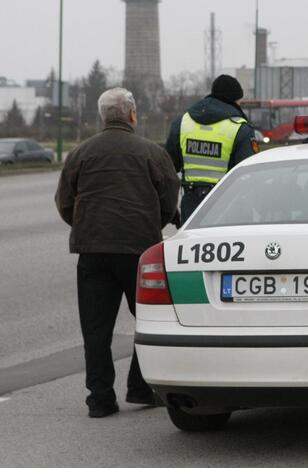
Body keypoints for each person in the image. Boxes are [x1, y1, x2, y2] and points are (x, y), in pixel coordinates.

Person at [55, 87, 180, 418]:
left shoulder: (81, 153)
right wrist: (155, 224)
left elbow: (65, 202)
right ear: (133, 115)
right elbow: (169, 199)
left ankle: (100, 399)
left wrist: (85, 226)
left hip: (92, 252)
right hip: (139, 252)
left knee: (95, 330)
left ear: (101, 117)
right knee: (151, 319)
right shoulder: (151, 153)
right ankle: (139, 386)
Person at [165, 74, 258, 223]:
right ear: (235, 100)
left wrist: (169, 211)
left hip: (191, 208)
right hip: (229, 210)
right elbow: (250, 176)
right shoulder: (240, 128)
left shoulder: (183, 123)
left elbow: (167, 168)